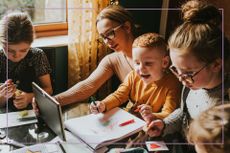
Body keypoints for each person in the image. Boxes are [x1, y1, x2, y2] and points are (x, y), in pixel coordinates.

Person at [142, 0, 230, 152]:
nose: (181, 79)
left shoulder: (224, 106)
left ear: (216, 65)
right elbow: (184, 113)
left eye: (188, 73)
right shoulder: (191, 84)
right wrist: (164, 124)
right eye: (175, 69)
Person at [52, 5, 140, 106]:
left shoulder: (154, 50)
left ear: (127, 27)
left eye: (110, 33)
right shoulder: (112, 60)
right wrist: (54, 100)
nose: (107, 42)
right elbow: (88, 86)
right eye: (103, 37)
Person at [90, 33, 182, 120]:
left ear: (164, 62)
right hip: (128, 119)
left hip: (151, 127)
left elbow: (168, 114)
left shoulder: (172, 84)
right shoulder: (133, 75)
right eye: (137, 63)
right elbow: (119, 96)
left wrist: (152, 115)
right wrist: (103, 104)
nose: (141, 68)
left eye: (148, 63)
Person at [0, 12, 52, 111]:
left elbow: (48, 90)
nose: (16, 55)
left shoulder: (37, 55)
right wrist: (4, 96)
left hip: (32, 110)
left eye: (23, 50)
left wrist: (29, 97)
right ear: (2, 45)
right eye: (10, 50)